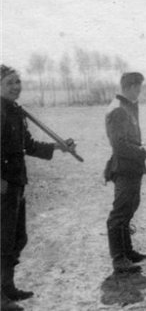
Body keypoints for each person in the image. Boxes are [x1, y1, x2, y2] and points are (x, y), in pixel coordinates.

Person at [1, 65, 76, 310]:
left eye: (18, 82)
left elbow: (28, 145)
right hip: (2, 185)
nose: (16, 87)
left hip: (16, 182)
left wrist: (58, 147)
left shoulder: (16, 112)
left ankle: (7, 288)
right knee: (2, 240)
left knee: (16, 237)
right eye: (10, 82)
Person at [104, 72, 146, 274]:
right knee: (120, 212)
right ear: (131, 87)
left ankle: (127, 252)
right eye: (139, 88)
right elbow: (119, 145)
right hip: (124, 168)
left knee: (130, 208)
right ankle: (118, 258)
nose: (140, 92)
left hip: (130, 167)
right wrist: (142, 151)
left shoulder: (126, 107)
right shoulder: (119, 110)